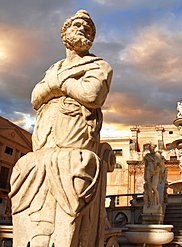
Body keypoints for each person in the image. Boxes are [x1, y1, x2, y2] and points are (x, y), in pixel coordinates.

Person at [9, 10, 113, 247]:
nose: (83, 29)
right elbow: (35, 98)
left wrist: (57, 85)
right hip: (43, 148)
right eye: (77, 25)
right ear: (64, 32)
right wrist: (65, 85)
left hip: (74, 146)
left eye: (89, 29)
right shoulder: (51, 69)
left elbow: (92, 94)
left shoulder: (99, 66)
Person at [143, 143, 164, 212]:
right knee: (148, 188)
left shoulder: (157, 155)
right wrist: (145, 175)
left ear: (154, 147)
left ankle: (157, 203)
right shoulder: (147, 156)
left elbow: (161, 165)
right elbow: (145, 166)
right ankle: (150, 204)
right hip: (148, 171)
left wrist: (158, 164)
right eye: (150, 147)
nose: (151, 148)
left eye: (152, 147)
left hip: (155, 172)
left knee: (153, 187)